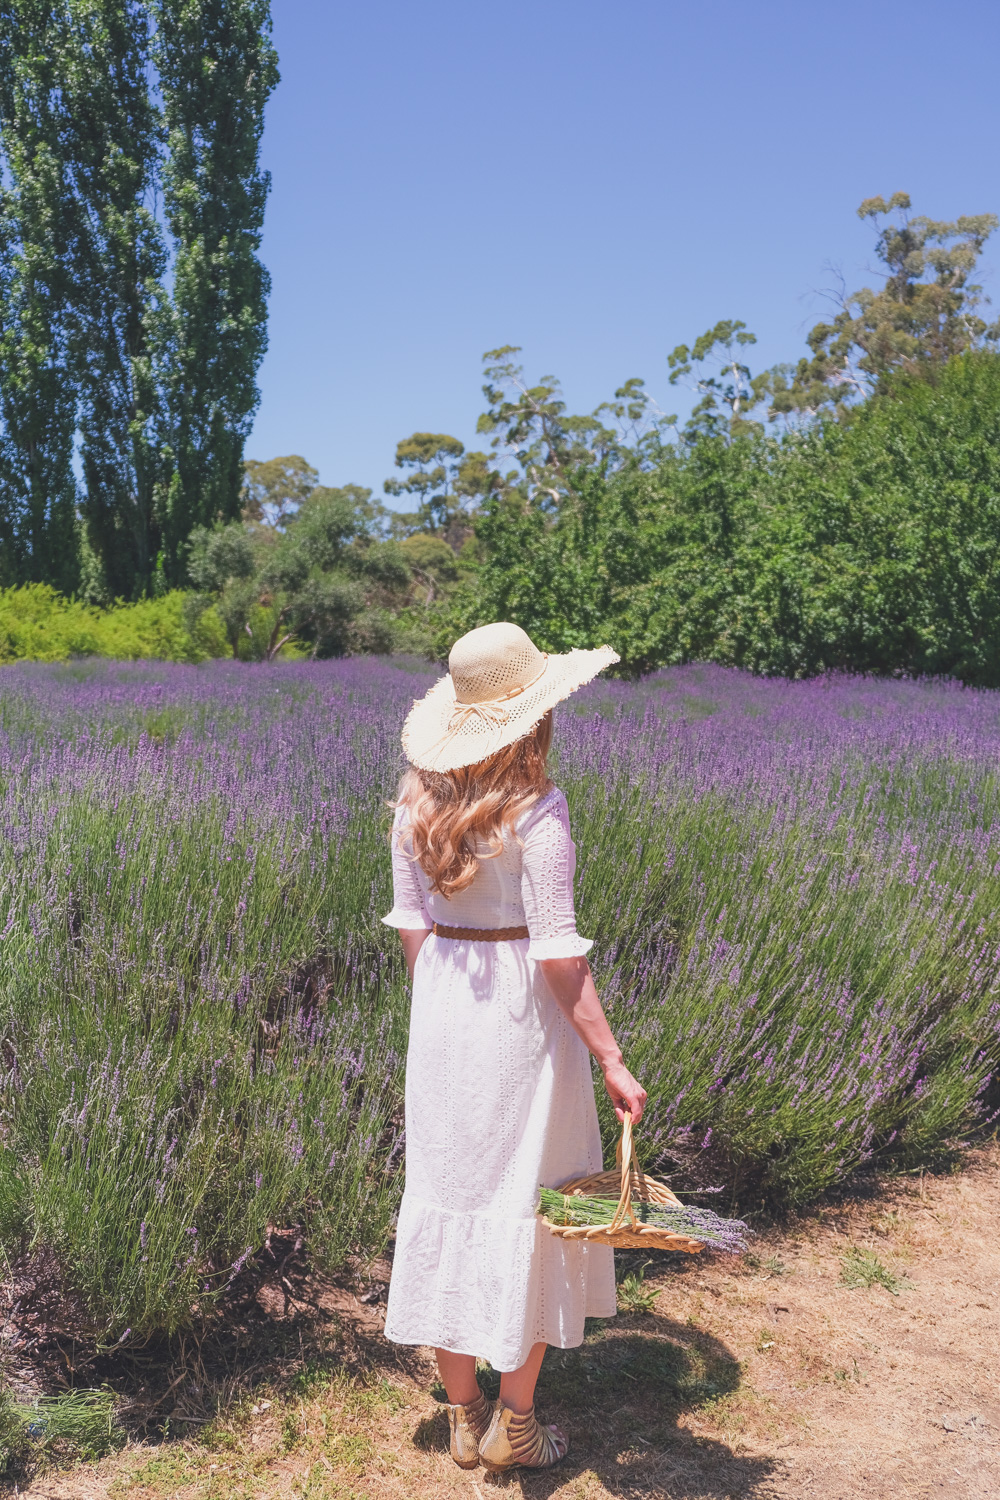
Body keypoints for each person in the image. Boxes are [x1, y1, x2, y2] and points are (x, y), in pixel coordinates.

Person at [381, 621, 647, 1476]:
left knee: (449, 1191)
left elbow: (414, 930)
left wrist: (444, 1010)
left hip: (446, 1014)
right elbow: (559, 955)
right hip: (522, 1027)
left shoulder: (415, 805)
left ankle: (462, 1417)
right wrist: (610, 1057)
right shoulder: (539, 812)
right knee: (530, 1204)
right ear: (533, 719)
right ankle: (517, 1427)